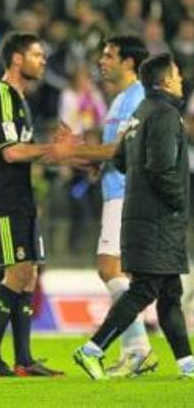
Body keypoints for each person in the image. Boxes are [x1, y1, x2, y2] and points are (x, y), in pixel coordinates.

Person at [74, 53, 194, 380]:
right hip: (159, 221)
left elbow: (123, 161)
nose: (181, 80)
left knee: (169, 294)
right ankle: (92, 350)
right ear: (166, 80)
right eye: (177, 75)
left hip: (141, 216)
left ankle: (187, 364)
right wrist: (180, 201)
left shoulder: (140, 113)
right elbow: (161, 168)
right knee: (144, 291)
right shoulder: (166, 114)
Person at [47, 36, 156, 376]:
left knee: (110, 268)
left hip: (127, 192)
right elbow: (108, 156)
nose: (101, 61)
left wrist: (74, 152)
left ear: (128, 62)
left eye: (109, 56)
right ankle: (135, 350)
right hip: (115, 190)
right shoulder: (119, 100)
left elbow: (116, 152)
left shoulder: (136, 98)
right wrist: (78, 152)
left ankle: (138, 349)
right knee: (120, 272)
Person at [0, 32, 68, 378]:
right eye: (36, 54)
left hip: (22, 200)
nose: (42, 61)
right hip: (3, 201)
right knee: (16, 274)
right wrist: (50, 150)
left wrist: (61, 154)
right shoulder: (1, 96)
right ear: (17, 59)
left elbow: (28, 152)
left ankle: (24, 360)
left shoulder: (20, 100)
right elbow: (12, 152)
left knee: (28, 275)